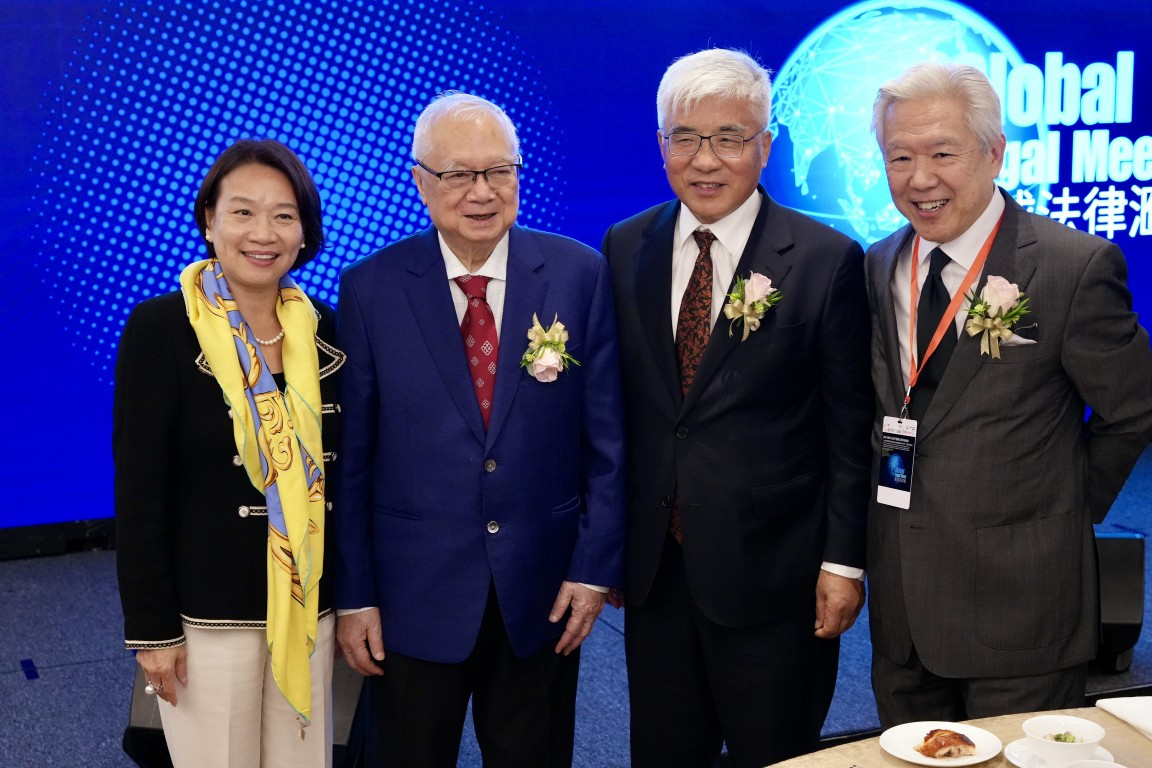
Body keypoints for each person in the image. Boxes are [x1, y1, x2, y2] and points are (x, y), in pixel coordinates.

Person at [333, 92, 626, 768]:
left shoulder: (579, 274)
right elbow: (353, 462)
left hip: (542, 591)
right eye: (459, 174)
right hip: (411, 596)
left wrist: (592, 570)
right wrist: (354, 595)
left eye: (499, 170)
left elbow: (607, 444)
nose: (482, 191)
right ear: (420, 182)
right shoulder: (370, 288)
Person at [601, 49, 873, 768]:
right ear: (661, 144)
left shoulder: (824, 259)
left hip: (776, 575)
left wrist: (844, 563)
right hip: (658, 573)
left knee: (776, 755)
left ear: (765, 145)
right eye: (685, 138)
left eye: (729, 137)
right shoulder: (626, 245)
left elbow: (850, 430)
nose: (705, 159)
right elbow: (626, 413)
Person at [865, 61, 1152, 726]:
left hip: (1020, 604)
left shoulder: (1072, 267)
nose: (919, 178)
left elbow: (1134, 407)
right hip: (902, 602)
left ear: (994, 153)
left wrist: (1063, 504)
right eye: (899, 156)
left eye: (943, 153)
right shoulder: (880, 263)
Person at [114, 138, 344, 767]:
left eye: (283, 215)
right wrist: (153, 630)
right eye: (243, 212)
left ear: (304, 232)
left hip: (309, 608)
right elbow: (140, 493)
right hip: (206, 618)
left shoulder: (326, 330)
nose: (262, 233)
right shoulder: (161, 329)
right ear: (209, 220)